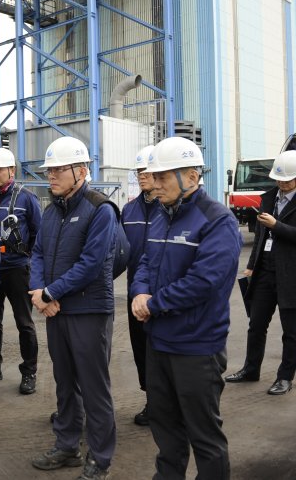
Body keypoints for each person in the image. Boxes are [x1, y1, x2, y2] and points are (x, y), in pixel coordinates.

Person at [131, 136, 241, 480]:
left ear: (191, 176)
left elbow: (204, 281)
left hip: (196, 347)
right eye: (155, 176)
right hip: (159, 343)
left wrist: (154, 304)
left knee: (204, 436)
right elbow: (146, 262)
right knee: (165, 430)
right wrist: (138, 293)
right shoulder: (162, 215)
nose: (155, 184)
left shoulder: (217, 220)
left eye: (164, 177)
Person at [29, 137, 117, 480]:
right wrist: (39, 293)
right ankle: (67, 446)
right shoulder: (52, 211)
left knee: (94, 388)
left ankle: (100, 457)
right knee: (64, 383)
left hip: (89, 311)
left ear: (81, 171)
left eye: (57, 170)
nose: (50, 176)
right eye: (48, 170)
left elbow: (91, 264)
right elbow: (37, 253)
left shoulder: (100, 209)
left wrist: (49, 292)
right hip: (56, 310)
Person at [226, 149, 296, 396]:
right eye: (278, 179)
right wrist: (252, 265)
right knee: (256, 324)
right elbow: (260, 238)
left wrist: (277, 225)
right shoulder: (269, 197)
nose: (282, 184)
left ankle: (285, 377)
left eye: (287, 180)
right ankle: (250, 369)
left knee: (291, 332)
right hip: (265, 271)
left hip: (291, 275)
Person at [0, 147, 41, 394]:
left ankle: (29, 372)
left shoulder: (27, 199)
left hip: (17, 268)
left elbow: (39, 234)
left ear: (11, 171)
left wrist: (31, 262)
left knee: (24, 322)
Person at [119, 145, 158, 425]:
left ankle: (168, 402)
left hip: (163, 292)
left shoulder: (170, 209)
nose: (142, 176)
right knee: (140, 347)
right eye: (138, 171)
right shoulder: (129, 209)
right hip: (136, 290)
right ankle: (151, 401)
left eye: (146, 171)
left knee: (163, 350)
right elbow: (120, 251)